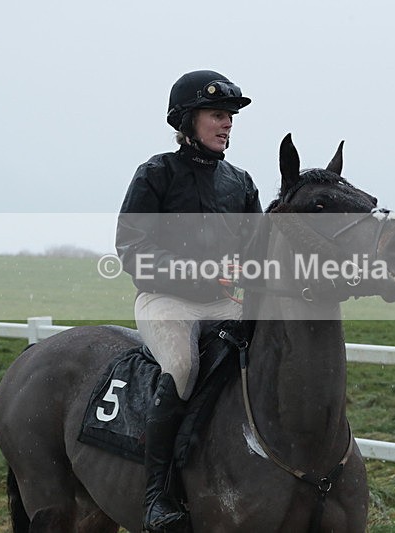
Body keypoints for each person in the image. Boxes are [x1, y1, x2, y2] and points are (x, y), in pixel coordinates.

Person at [115, 69, 261, 531]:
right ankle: (157, 496)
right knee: (181, 367)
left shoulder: (241, 182)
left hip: (224, 302)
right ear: (187, 121)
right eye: (217, 114)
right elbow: (132, 248)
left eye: (230, 116)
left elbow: (258, 251)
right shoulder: (156, 174)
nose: (227, 123)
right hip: (166, 301)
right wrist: (199, 272)